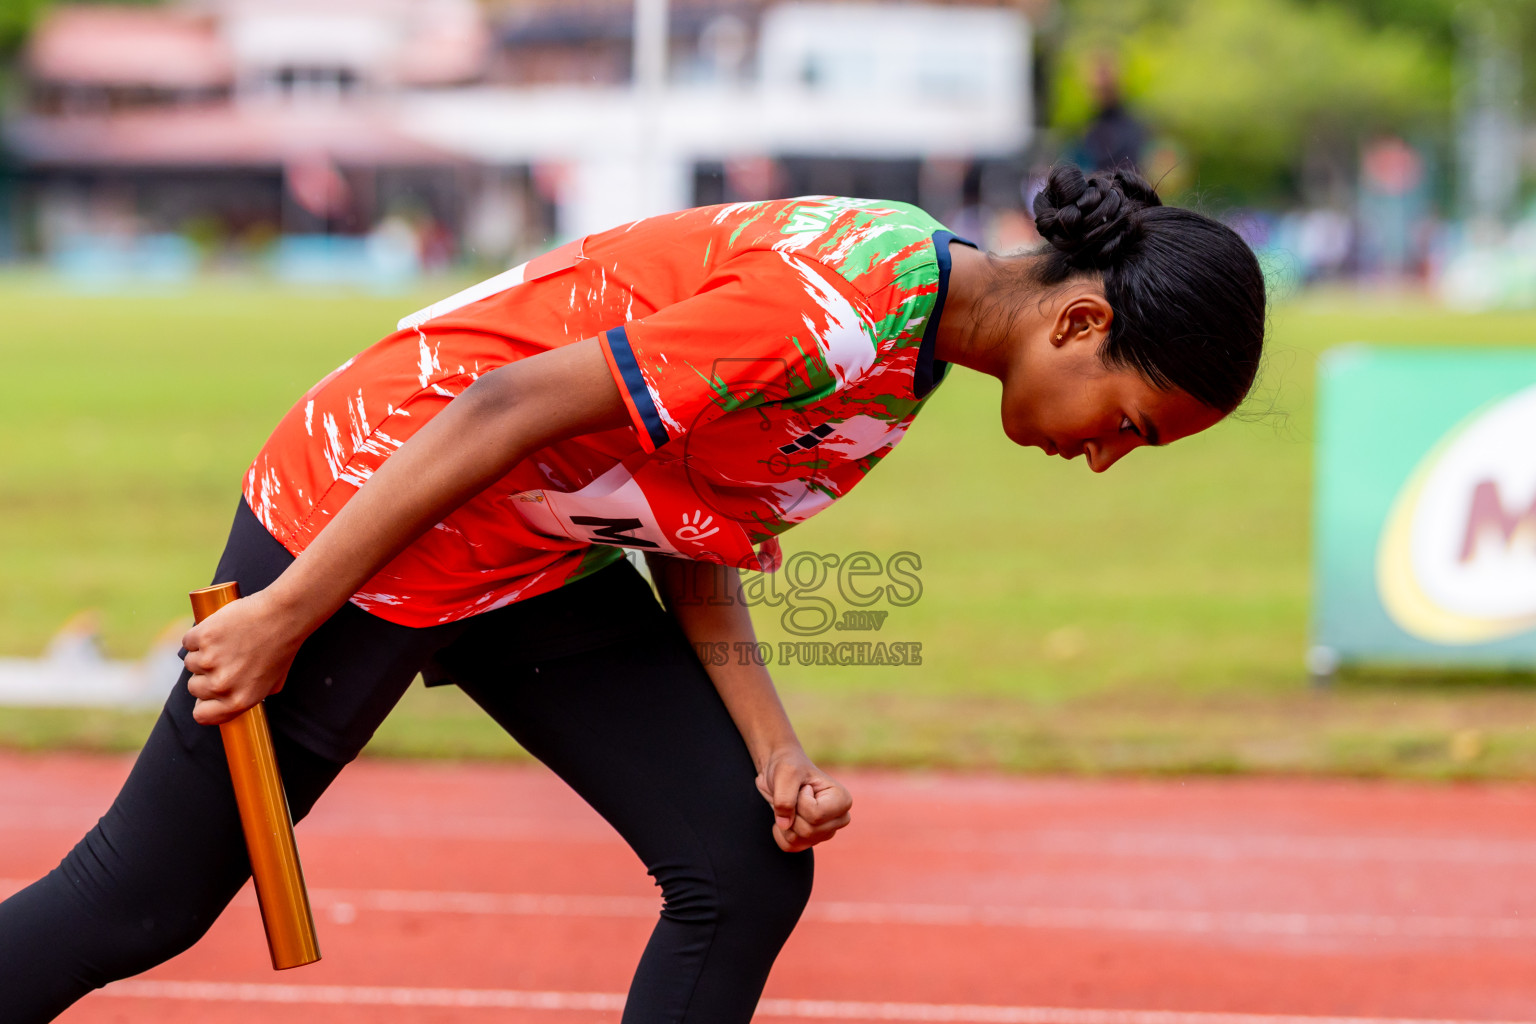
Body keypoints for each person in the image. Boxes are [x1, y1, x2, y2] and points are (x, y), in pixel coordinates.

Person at [0, 165, 1265, 1022]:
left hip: (531, 542)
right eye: (1133, 428)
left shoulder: (912, 350)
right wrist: (283, 613)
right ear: (1081, 321)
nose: (1104, 458)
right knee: (141, 900)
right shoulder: (846, 309)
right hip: (375, 496)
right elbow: (502, 403)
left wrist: (776, 752)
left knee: (741, 860)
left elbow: (683, 510)